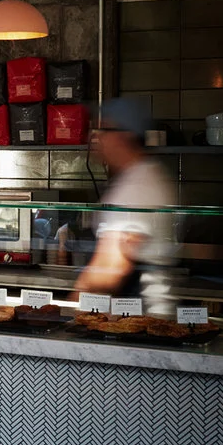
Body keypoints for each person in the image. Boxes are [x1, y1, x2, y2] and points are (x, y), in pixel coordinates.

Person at [75, 98, 176, 315]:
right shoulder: (142, 176)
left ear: (125, 135)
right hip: (135, 316)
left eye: (103, 130)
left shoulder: (137, 187)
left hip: (141, 321)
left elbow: (107, 273)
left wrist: (67, 312)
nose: (95, 137)